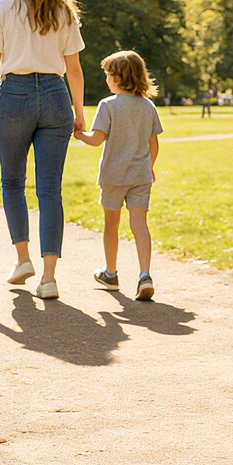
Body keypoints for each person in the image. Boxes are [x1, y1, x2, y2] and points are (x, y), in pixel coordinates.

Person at [0, 0, 86, 300]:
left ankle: (23, 259)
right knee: (50, 190)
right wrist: (79, 114)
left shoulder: (0, 6)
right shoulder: (63, 10)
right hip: (55, 95)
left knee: (12, 182)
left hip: (15, 95)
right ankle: (49, 278)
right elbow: (74, 69)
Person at [74, 50, 162, 301]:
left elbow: (96, 140)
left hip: (113, 176)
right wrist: (149, 166)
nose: (106, 79)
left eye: (107, 75)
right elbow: (153, 144)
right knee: (140, 225)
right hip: (140, 176)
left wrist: (79, 134)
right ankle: (145, 274)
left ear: (118, 77)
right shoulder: (148, 106)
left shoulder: (108, 105)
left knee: (111, 224)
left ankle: (110, 274)